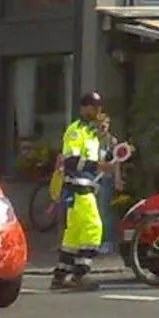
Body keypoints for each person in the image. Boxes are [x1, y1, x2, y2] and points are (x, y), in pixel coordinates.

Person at [52, 93, 129, 290]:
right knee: (94, 228)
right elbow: (70, 160)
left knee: (74, 236)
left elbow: (105, 159)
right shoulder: (76, 131)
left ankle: (61, 276)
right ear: (84, 108)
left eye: (99, 107)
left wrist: (115, 148)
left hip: (84, 189)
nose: (98, 112)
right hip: (78, 189)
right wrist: (97, 166)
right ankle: (80, 275)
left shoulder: (93, 134)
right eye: (93, 107)